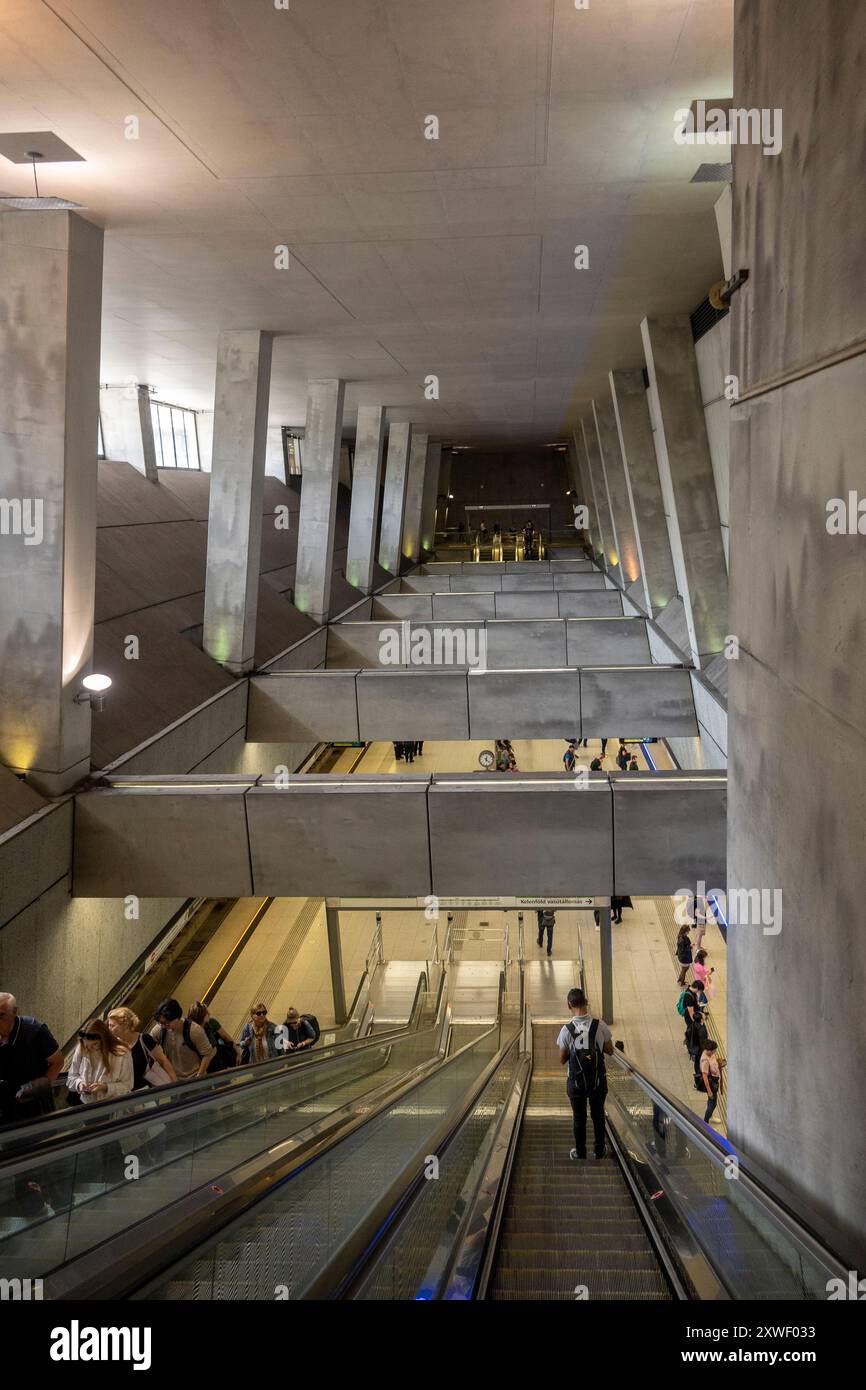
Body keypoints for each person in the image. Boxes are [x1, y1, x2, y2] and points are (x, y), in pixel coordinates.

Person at [557, 988, 614, 1160]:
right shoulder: (600, 1025)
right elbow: (609, 1050)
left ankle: (580, 1152)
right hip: (597, 1081)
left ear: (569, 1005)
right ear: (586, 1002)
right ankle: (599, 1151)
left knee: (579, 1118)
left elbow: (562, 1059)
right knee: (598, 1115)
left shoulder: (566, 1030)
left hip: (576, 1083)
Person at [0, 992, 64, 1125]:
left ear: (14, 1012)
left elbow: (58, 1062)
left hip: (35, 1109)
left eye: (1, 1016)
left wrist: (41, 1085)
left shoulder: (34, 1030)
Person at [107, 1006, 177, 1090]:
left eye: (112, 1026)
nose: (109, 1029)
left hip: (150, 1090)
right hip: (129, 1094)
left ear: (125, 1025)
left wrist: (175, 1083)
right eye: (109, 1025)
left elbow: (163, 1060)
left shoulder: (144, 1039)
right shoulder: (113, 1047)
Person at [68, 1019, 134, 1104]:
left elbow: (127, 1085)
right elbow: (72, 1076)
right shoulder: (81, 1048)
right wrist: (79, 1083)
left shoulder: (122, 1054)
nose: (90, 1049)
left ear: (104, 1040)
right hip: (86, 1104)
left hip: (111, 1105)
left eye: (95, 1044)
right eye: (86, 1045)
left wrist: (105, 1087)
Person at [153, 998, 215, 1079]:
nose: (164, 1026)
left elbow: (207, 1054)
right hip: (174, 1079)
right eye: (161, 1023)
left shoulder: (194, 1030)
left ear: (177, 1017)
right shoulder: (159, 1030)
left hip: (194, 1077)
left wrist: (199, 1076)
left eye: (167, 1023)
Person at [187, 1001, 238, 1073]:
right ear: (201, 1017)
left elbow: (226, 1037)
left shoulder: (210, 1023)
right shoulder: (193, 1032)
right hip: (203, 1067)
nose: (209, 1014)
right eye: (207, 1013)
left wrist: (238, 1052)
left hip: (217, 1063)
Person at [700, 1041, 725, 1123]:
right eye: (714, 1050)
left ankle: (710, 1116)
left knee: (711, 1101)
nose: (715, 1052)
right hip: (711, 1084)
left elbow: (714, 1064)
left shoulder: (710, 1054)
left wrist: (719, 1063)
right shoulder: (705, 1060)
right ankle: (705, 1121)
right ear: (709, 1050)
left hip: (715, 1081)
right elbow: (705, 1077)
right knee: (713, 1103)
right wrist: (709, 1091)